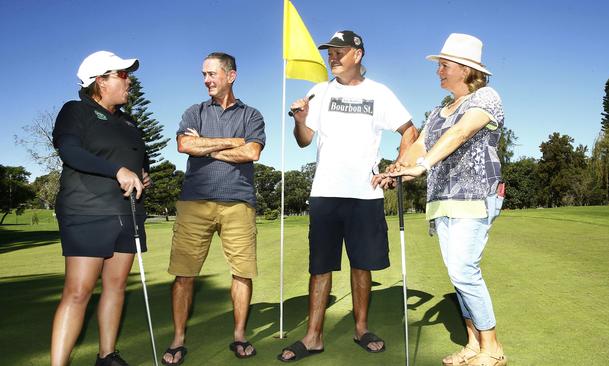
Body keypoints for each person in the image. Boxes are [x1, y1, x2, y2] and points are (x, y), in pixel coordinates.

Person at [277, 30, 418, 362]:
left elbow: (409, 131)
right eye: (330, 52)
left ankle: (361, 328)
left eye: (340, 51)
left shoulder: (379, 93)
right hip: (325, 192)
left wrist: (397, 166)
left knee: (362, 265)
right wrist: (299, 120)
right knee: (320, 267)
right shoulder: (319, 92)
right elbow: (303, 140)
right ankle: (313, 336)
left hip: (364, 194)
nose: (333, 56)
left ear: (358, 54)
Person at [377, 33, 507, 366]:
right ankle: (472, 344)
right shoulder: (437, 112)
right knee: (457, 273)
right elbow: (419, 147)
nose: (439, 72)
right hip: (443, 202)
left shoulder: (487, 98)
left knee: (464, 270)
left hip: (475, 196)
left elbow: (460, 133)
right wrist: (397, 169)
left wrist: (421, 165)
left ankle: (492, 348)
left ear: (465, 70)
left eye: (444, 66)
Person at [161, 52, 265, 365]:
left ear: (231, 75)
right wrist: (232, 143)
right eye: (204, 74)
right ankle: (178, 339)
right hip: (195, 202)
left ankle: (239, 335)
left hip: (238, 203)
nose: (206, 80)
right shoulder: (194, 111)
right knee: (184, 274)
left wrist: (208, 147)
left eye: (212, 74)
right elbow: (185, 146)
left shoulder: (252, 115)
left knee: (242, 273)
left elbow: (252, 152)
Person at [50, 50, 150, 366]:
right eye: (121, 74)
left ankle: (107, 355)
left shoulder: (130, 123)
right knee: (78, 292)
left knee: (117, 287)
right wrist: (117, 170)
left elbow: (139, 164)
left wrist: (142, 177)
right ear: (100, 81)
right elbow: (69, 151)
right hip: (87, 210)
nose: (128, 79)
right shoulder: (76, 111)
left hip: (127, 212)